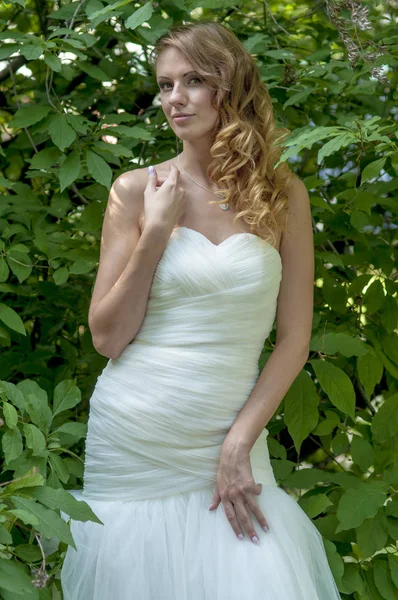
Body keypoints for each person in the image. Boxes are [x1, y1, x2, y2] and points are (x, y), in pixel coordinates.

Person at [60, 20, 342, 600]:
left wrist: (239, 441)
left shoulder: (282, 193)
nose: (175, 99)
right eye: (165, 85)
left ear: (229, 86)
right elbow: (108, 339)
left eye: (193, 80)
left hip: (229, 431)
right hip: (135, 438)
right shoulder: (136, 191)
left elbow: (293, 337)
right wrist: (155, 233)